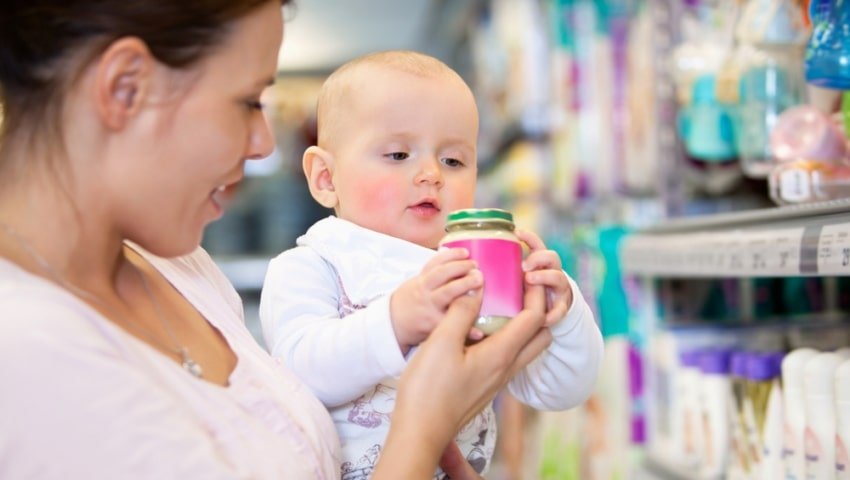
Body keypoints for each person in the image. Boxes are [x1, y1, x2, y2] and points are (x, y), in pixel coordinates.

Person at [0, 2, 556, 478]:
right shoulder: (24, 356)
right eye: (248, 101)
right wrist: (420, 432)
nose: (266, 144)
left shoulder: (180, 267)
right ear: (125, 88)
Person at [259, 50, 604, 479]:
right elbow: (299, 371)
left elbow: (559, 389)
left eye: (453, 160)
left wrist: (564, 314)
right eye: (398, 155)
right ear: (326, 178)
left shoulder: (473, 272)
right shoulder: (314, 264)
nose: (431, 174)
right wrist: (396, 321)